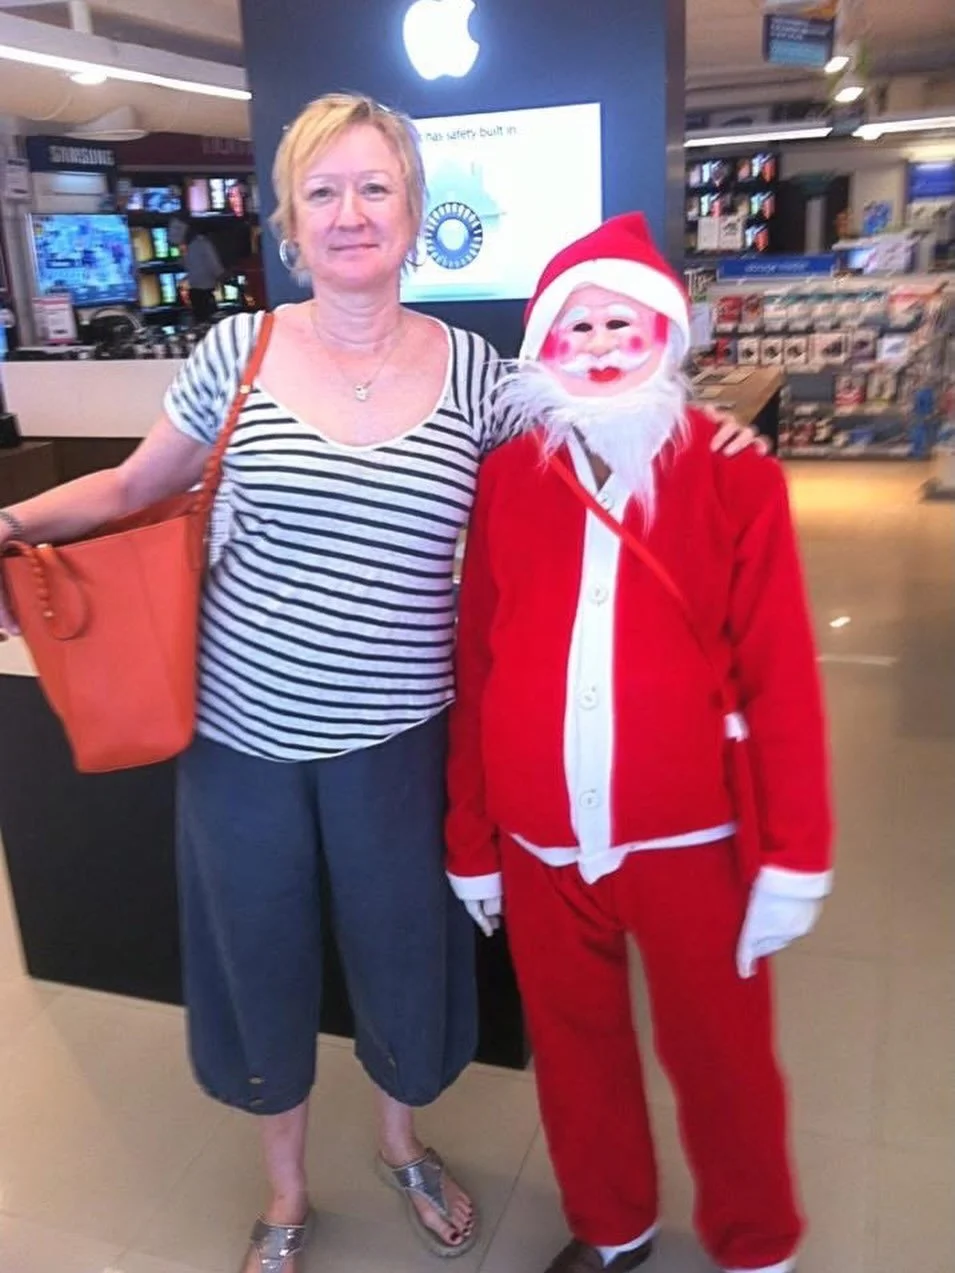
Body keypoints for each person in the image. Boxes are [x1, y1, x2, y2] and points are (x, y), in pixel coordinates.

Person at [0, 97, 761, 1273]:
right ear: (290, 226)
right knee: (258, 954)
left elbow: (605, 435)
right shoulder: (236, 351)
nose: (349, 213)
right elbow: (126, 490)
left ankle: (402, 1142)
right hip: (238, 736)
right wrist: (5, 523)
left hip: (401, 739)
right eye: (322, 192)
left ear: (415, 214)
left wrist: (717, 446)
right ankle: (288, 1188)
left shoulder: (475, 373)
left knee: (406, 953)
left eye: (373, 188)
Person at [446, 214, 833, 1273]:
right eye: (580, 325)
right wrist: (471, 836)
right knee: (574, 1054)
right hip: (538, 841)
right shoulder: (509, 478)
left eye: (624, 319)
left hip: (691, 838)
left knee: (723, 1058)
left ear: (664, 335)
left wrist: (793, 852)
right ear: (543, 346)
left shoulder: (732, 472)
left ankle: (756, 1242)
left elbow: (782, 674)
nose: (605, 341)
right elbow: (476, 666)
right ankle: (611, 1224)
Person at [183, 221, 225, 323]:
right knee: (211, 320)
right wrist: (223, 276)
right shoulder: (205, 244)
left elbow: (185, 264)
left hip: (194, 290)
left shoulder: (191, 246)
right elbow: (214, 264)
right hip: (205, 290)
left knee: (200, 320)